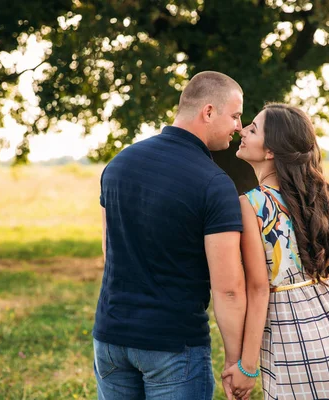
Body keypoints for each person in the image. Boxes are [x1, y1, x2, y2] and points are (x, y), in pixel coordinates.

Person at [93, 71, 247, 400]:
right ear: (208, 112)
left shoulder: (118, 164)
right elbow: (228, 289)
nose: (238, 126)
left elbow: (110, 252)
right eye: (235, 115)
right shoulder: (214, 184)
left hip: (110, 339)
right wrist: (236, 360)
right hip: (173, 347)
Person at [223, 103, 329, 399]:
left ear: (271, 152)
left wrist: (248, 367)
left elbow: (258, 288)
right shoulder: (319, 195)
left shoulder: (252, 204)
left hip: (289, 327)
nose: (242, 130)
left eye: (252, 129)